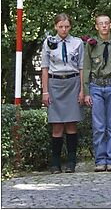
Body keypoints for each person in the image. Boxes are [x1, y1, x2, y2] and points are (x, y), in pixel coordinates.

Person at [82, 14, 111, 172]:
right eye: (100, 24)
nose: (104, 26)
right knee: (99, 126)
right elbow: (86, 68)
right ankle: (100, 160)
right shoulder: (90, 45)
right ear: (96, 27)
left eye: (106, 23)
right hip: (96, 86)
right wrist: (86, 92)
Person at [41, 13, 84, 174]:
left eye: (66, 26)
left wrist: (82, 90)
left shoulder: (77, 43)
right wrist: (45, 91)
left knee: (72, 123)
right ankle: (55, 162)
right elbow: (44, 67)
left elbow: (81, 68)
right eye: (60, 26)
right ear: (55, 27)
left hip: (72, 83)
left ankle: (71, 162)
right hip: (55, 83)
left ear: (70, 26)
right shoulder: (49, 42)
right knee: (57, 124)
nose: (64, 29)